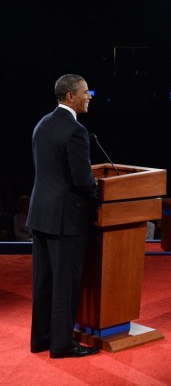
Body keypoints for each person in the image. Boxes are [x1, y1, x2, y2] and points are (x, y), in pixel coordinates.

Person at [26, 74, 99, 358]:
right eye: (85, 92)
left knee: (43, 282)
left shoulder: (42, 124)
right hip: (66, 219)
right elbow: (82, 180)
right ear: (70, 96)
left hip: (41, 214)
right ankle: (62, 344)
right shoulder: (75, 130)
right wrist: (96, 193)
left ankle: (40, 340)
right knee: (65, 284)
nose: (89, 96)